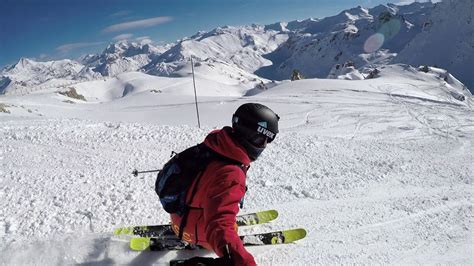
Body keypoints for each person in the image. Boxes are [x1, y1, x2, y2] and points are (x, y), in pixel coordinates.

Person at [170, 103, 279, 266]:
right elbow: (219, 224)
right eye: (261, 140)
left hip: (178, 218)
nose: (263, 146)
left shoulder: (215, 145)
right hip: (199, 233)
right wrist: (243, 262)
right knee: (229, 227)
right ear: (249, 136)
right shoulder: (230, 173)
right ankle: (199, 240)